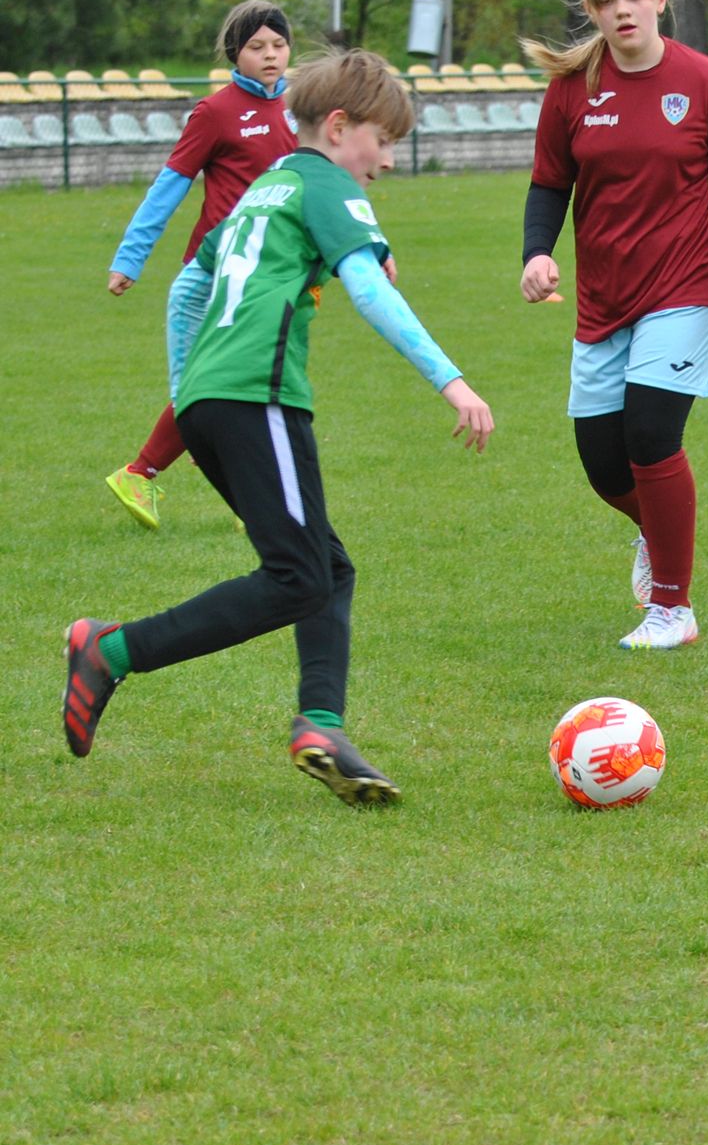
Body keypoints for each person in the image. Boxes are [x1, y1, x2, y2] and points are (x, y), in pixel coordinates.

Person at [63, 49, 496, 805]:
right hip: (257, 399)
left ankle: (321, 723)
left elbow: (188, 288)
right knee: (298, 575)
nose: (388, 161)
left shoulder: (265, 187)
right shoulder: (326, 180)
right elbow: (367, 286)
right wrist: (451, 380)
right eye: (383, 141)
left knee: (325, 566)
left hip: (211, 401)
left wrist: (186, 387)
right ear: (338, 127)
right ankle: (112, 648)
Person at [519, 0, 708, 651]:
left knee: (652, 436)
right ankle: (658, 534)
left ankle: (673, 610)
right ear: (593, 11)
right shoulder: (572, 91)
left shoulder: (706, 81)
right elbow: (548, 185)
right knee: (603, 463)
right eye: (604, 0)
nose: (621, 10)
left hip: (686, 285)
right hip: (603, 297)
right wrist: (537, 253)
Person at [104, 0, 299, 530]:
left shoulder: (302, 109)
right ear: (235, 53)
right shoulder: (215, 112)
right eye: (257, 46)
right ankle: (141, 474)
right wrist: (130, 258)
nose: (270, 55)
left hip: (267, 279)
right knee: (201, 395)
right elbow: (168, 189)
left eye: (278, 45)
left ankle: (239, 497)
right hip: (209, 276)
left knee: (247, 389)